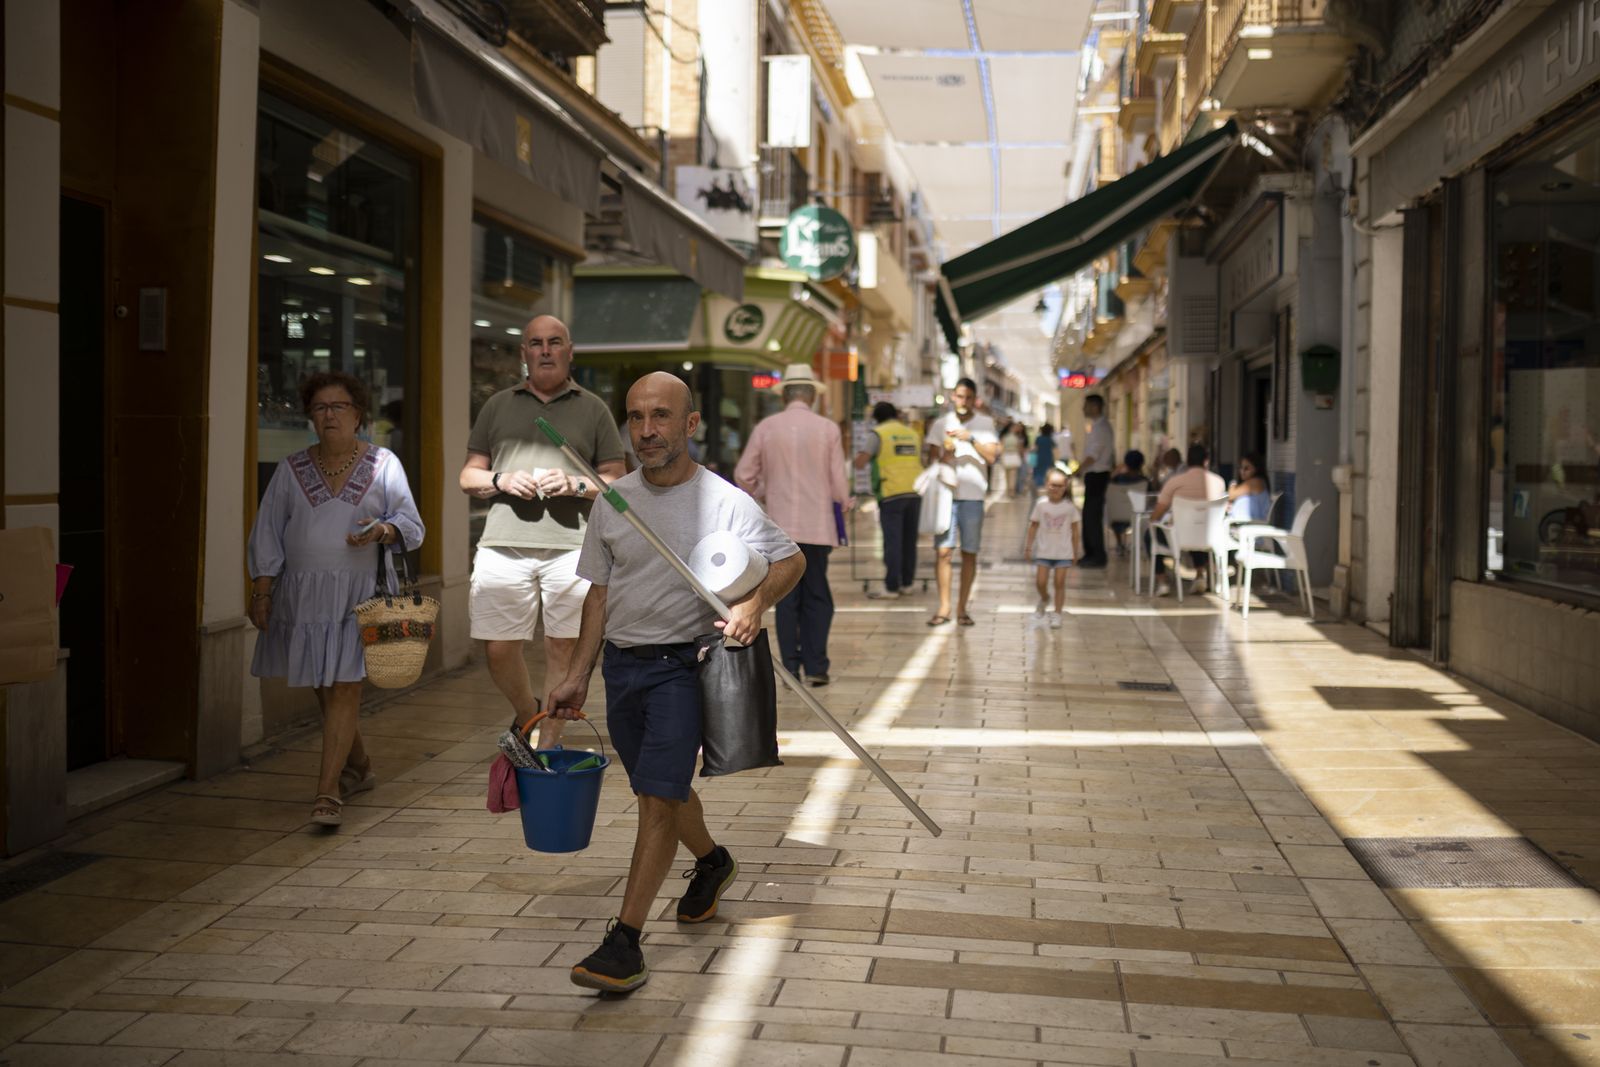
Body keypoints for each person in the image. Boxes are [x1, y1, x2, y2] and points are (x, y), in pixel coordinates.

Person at [549, 372, 803, 995]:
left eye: (661, 416)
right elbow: (598, 595)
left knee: (657, 798)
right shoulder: (614, 501)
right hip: (623, 668)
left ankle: (624, 943)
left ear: (690, 424)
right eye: (636, 417)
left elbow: (791, 558)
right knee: (654, 785)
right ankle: (713, 863)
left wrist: (754, 605)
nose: (647, 430)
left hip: (684, 670)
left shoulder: (725, 502)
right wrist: (576, 673)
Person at [249, 371, 424, 827]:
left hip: (359, 596)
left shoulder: (384, 463)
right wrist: (262, 588)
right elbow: (267, 531)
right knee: (327, 689)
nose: (329, 415)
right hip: (303, 598)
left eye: (338, 407)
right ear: (310, 417)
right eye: (320, 408)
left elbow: (412, 525)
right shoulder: (290, 470)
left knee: (345, 687)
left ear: (358, 414)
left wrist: (383, 530)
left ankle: (327, 793)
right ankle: (360, 767)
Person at [459, 315, 626, 750]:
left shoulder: (593, 408)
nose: (546, 350)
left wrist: (574, 483)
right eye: (536, 343)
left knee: (562, 648)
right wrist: (500, 480)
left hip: (572, 547)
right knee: (498, 647)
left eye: (555, 342)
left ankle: (547, 745)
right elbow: (468, 476)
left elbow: (616, 482)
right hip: (502, 543)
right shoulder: (497, 405)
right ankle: (527, 713)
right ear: (524, 354)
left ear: (570, 352)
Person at [734, 364, 851, 687]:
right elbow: (838, 482)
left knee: (786, 599)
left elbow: (744, 474)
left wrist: (763, 493)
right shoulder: (827, 429)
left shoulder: (767, 428)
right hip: (818, 527)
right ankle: (817, 666)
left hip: (780, 529)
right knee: (818, 595)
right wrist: (844, 502)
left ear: (784, 394)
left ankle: (789, 668)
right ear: (812, 395)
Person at [924, 379, 1003, 626]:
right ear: (953, 397)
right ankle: (944, 606)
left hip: (973, 496)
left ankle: (962, 608)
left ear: (975, 399)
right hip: (946, 495)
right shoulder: (941, 423)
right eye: (959, 396)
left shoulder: (985, 424)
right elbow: (930, 458)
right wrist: (943, 453)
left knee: (970, 552)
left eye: (968, 397)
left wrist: (970, 439)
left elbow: (992, 456)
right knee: (944, 551)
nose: (963, 401)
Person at [854, 400, 922, 600]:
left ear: (876, 418)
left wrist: (858, 458)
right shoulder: (911, 433)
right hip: (914, 491)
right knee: (909, 541)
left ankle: (891, 587)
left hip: (891, 492)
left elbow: (861, 462)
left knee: (893, 542)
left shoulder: (878, 434)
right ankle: (907, 583)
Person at [1148, 441, 1227, 596]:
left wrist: (1153, 521)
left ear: (1187, 461)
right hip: (1209, 537)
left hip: (1178, 538)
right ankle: (1199, 575)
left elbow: (1156, 515)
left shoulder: (1175, 482)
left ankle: (1162, 581)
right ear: (1206, 461)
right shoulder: (1219, 482)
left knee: (1150, 534)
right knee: (1198, 526)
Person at [1025, 468, 1082, 630]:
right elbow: (1033, 526)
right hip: (1044, 551)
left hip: (1063, 552)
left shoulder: (1069, 507)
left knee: (1060, 582)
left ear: (1065, 487)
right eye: (1052, 485)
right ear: (1046, 485)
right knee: (1040, 582)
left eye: (1059, 486)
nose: (1055, 489)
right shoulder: (1041, 505)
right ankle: (1044, 598)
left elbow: (1075, 531)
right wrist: (1028, 547)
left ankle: (1057, 613)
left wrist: (1075, 550)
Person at [1078, 395, 1114, 567]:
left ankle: (1097, 555)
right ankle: (1090, 553)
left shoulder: (1101, 429)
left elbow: (1093, 455)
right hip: (1094, 475)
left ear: (1094, 407)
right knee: (1089, 515)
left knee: (1092, 516)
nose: (1083, 409)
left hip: (1097, 475)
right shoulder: (1096, 427)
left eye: (1086, 405)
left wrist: (1078, 470)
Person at [1108, 449, 1150, 556]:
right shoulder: (1144, 481)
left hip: (1116, 516)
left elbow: (1107, 491)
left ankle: (1120, 543)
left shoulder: (1116, 479)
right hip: (1137, 514)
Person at [1227, 452, 1273, 522]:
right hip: (1246, 523)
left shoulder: (1255, 482)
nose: (1242, 471)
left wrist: (1232, 484)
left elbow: (1231, 495)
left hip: (1252, 525)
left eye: (1246, 468)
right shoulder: (1256, 482)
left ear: (1256, 469)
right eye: (1241, 467)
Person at [1006, 423, 1031, 497]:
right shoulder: (1015, 437)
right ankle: (1014, 490)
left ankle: (1019, 489)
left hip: (1019, 457)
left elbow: (1025, 447)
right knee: (1014, 476)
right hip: (1016, 457)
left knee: (1021, 474)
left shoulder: (1022, 437)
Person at [1032, 424, 1057, 488]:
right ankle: (1046, 486)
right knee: (1047, 473)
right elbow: (1055, 451)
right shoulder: (1050, 439)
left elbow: (1034, 449)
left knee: (1039, 473)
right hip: (1048, 458)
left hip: (1039, 458)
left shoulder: (1038, 439)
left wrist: (1032, 460)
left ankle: (1039, 487)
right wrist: (1055, 460)